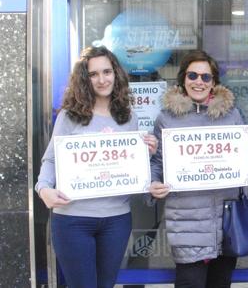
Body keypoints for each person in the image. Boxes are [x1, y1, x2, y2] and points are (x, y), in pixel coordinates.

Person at [35, 46, 158, 288]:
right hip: (73, 220)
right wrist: (44, 188)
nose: (102, 80)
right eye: (93, 74)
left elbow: (128, 167)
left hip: (117, 219)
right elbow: (51, 160)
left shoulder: (128, 117)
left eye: (107, 71)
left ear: (116, 74)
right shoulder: (69, 117)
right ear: (84, 79)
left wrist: (145, 152)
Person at [148, 50, 248, 288]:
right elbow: (157, 162)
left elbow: (242, 156)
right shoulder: (166, 118)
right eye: (192, 75)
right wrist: (153, 183)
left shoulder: (231, 116)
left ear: (214, 83)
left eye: (205, 77)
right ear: (183, 79)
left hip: (227, 220)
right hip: (187, 221)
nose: (198, 82)